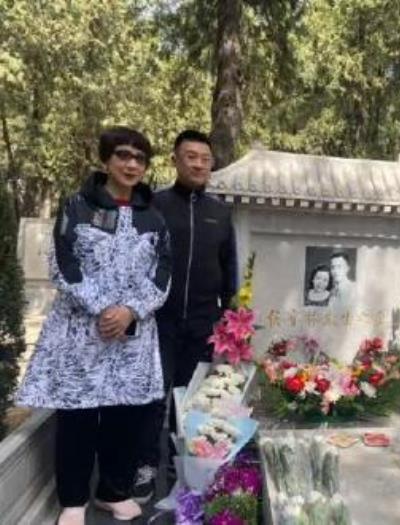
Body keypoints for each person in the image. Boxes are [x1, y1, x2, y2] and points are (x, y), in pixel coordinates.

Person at [15, 127, 171, 525]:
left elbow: (162, 273)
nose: (132, 164)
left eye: (140, 158)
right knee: (78, 417)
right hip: (82, 332)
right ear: (106, 159)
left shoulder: (153, 218)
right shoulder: (77, 206)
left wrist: (130, 310)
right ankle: (73, 499)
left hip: (132, 336)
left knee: (126, 417)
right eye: (123, 155)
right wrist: (103, 308)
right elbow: (64, 264)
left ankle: (113, 492)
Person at [134, 129, 238, 501]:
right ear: (175, 160)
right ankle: (145, 467)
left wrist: (231, 317)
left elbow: (229, 268)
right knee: (153, 397)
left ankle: (181, 467)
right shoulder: (155, 204)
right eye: (190, 157)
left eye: (205, 159)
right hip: (158, 322)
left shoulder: (220, 212)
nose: (198, 164)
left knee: (191, 400)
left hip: (202, 324)